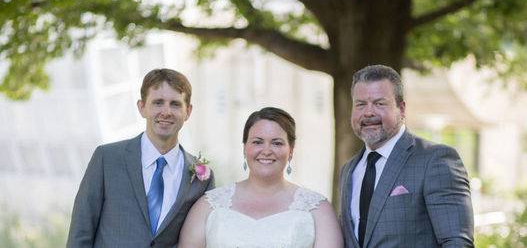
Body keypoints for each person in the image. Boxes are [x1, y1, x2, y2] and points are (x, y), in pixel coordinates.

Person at [67, 68, 215, 247]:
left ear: (188, 111)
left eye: (175, 104)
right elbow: (81, 232)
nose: (166, 112)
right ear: (142, 107)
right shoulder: (107, 159)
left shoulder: (201, 178)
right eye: (158, 103)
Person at [339, 65, 474, 248]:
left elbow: (456, 242)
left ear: (401, 109)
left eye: (379, 103)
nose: (368, 112)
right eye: (361, 104)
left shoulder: (436, 160)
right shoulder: (349, 170)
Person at [177, 107, 343, 248]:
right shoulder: (209, 206)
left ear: (291, 150)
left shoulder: (317, 209)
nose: (266, 150)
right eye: (257, 142)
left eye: (277, 143)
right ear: (244, 148)